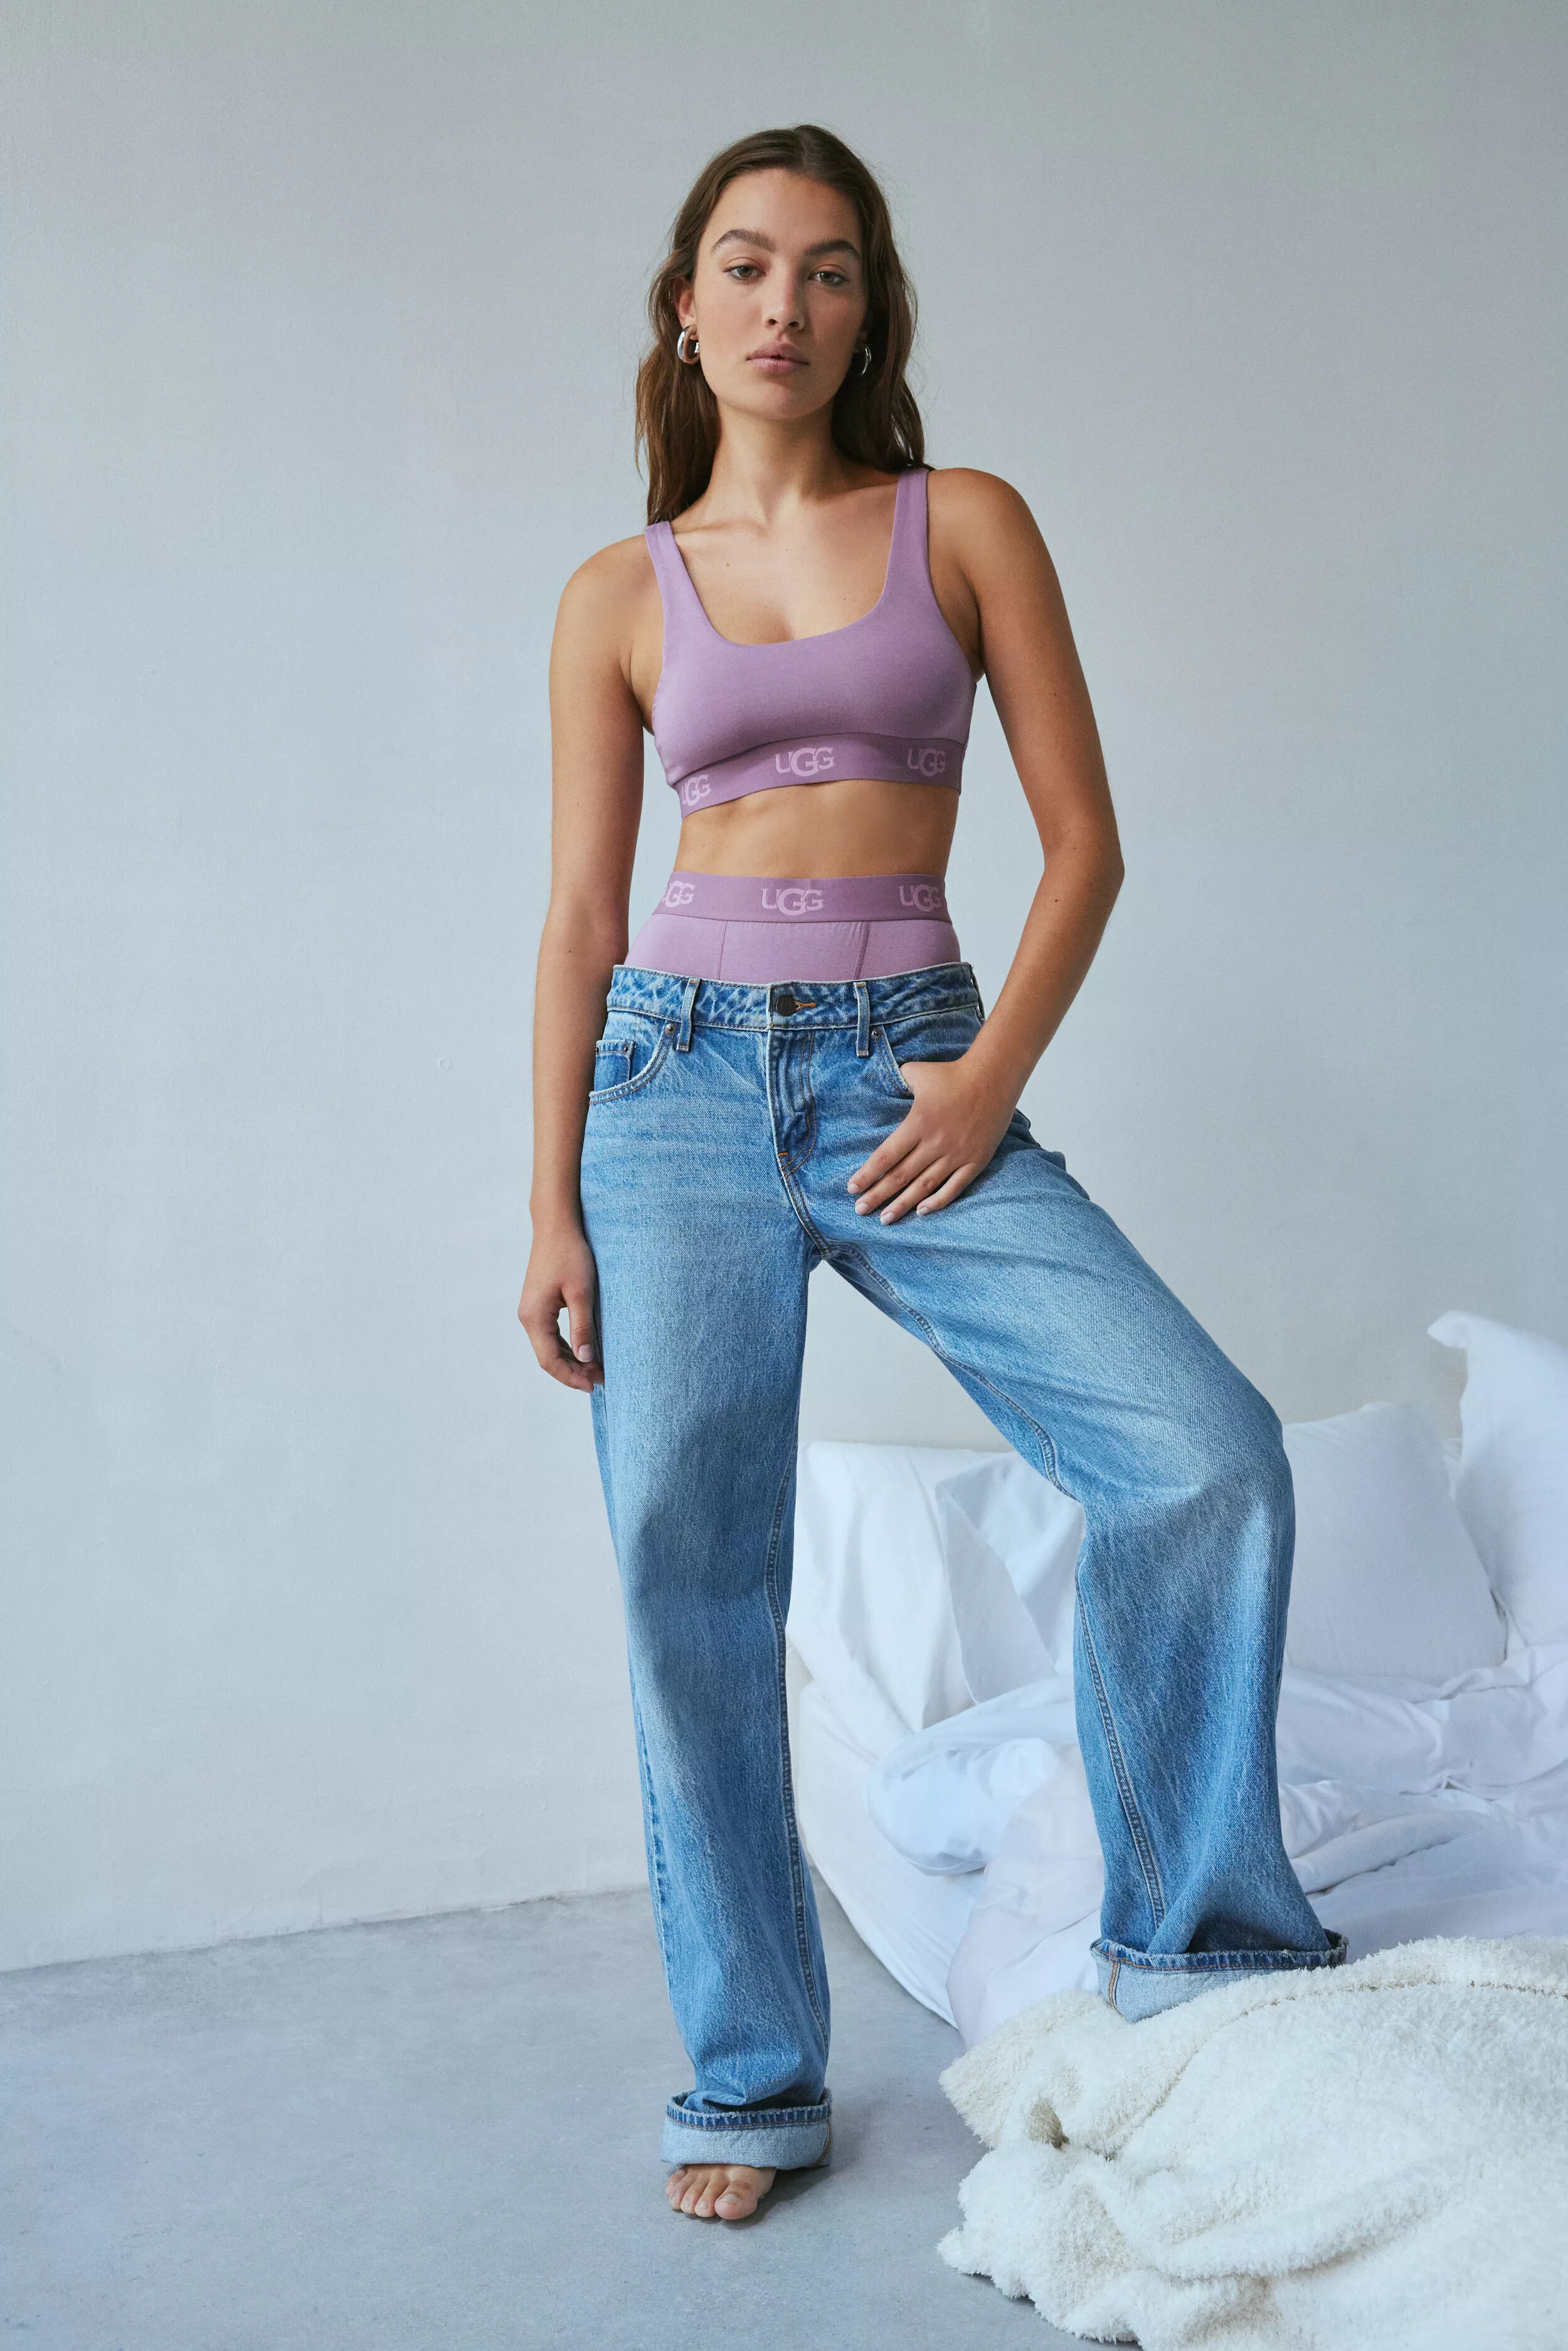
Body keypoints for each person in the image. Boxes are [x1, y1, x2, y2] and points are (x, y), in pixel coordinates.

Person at [518, 123, 1345, 2226]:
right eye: (743, 264)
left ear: (868, 311)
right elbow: (581, 918)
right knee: (687, 1577)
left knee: (1200, 1451)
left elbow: (1084, 843)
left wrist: (982, 1082)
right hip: (669, 1087)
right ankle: (748, 2080)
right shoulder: (615, 592)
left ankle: (1196, 1961)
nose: (782, 304)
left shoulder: (959, 521)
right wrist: (547, 1202)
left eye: (826, 269)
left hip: (904, 1063)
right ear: (684, 307)